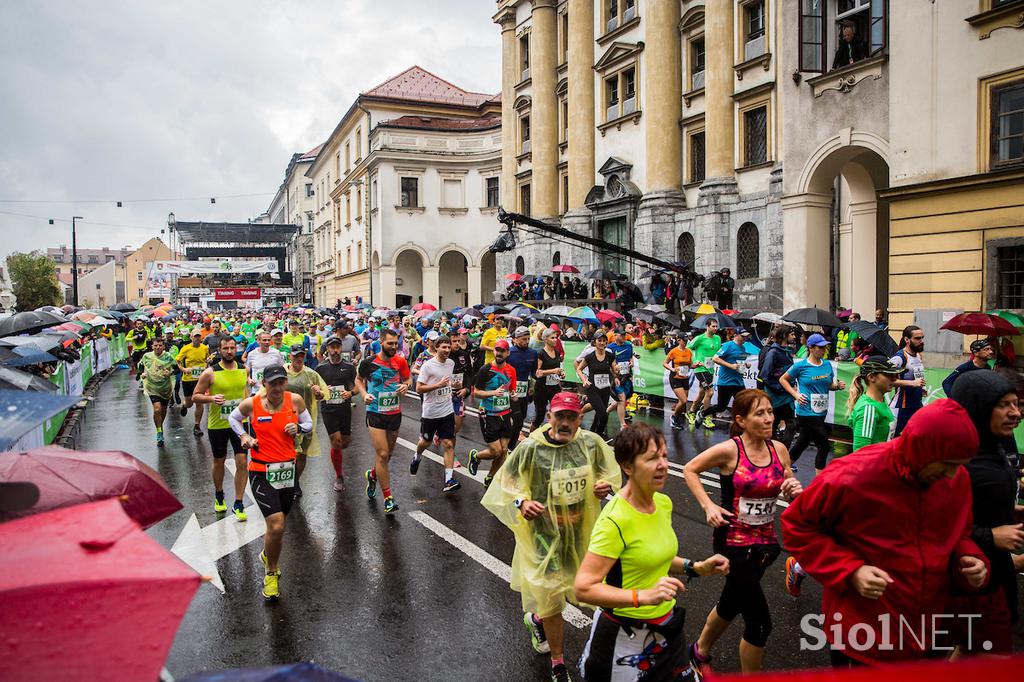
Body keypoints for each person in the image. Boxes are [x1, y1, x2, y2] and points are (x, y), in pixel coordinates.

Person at [780, 399, 990, 666]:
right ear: (922, 450)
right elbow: (798, 526)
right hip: (862, 636)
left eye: (959, 465)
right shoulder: (853, 474)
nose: (951, 475)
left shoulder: (956, 477)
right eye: (947, 464)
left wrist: (969, 557)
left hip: (926, 633)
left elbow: (960, 533)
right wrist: (851, 571)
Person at [481, 392, 621, 682]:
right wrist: (522, 502)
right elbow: (506, 481)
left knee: (583, 588)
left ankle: (535, 619)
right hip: (542, 535)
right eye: (560, 416)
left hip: (582, 532)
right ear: (549, 416)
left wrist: (604, 485)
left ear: (581, 418)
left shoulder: (591, 444)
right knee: (552, 596)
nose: (566, 422)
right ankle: (558, 661)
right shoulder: (531, 447)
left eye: (572, 417)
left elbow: (610, 473)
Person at [576, 424, 729, 681]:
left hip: (667, 631)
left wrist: (696, 567)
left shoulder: (662, 502)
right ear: (627, 466)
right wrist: (643, 596)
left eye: (665, 456)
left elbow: (654, 557)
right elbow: (584, 587)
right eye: (651, 458)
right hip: (623, 639)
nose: (663, 465)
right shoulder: (615, 520)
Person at [683, 390, 802, 676]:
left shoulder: (779, 449)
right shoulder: (730, 450)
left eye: (770, 412)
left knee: (731, 601)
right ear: (741, 419)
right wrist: (708, 505)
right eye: (759, 414)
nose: (769, 418)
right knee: (760, 623)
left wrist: (794, 488)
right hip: (733, 544)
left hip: (766, 545)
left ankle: (699, 653)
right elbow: (690, 469)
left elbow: (789, 484)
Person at [948, 370, 1023, 655]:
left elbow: (976, 507)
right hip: (973, 581)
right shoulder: (959, 463)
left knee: (968, 649)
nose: (1015, 413)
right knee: (993, 657)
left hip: (995, 575)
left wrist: (1008, 512)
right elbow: (938, 526)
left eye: (1016, 403)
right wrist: (990, 535)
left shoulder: (993, 446)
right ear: (977, 408)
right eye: (1004, 405)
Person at [228, 365, 313, 601]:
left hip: (286, 470)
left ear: (285, 383)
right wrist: (244, 436)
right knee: (276, 526)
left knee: (279, 525)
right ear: (264, 383)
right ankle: (271, 573)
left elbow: (309, 426)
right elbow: (233, 419)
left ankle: (268, 554)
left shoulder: (294, 401)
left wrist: (299, 427)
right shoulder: (252, 404)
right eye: (272, 383)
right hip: (261, 471)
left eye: (280, 382)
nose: (277, 387)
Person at [190, 336, 249, 520]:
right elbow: (195, 396)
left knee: (241, 461)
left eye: (232, 348)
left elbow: (244, 393)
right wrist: (211, 398)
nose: (230, 351)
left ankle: (238, 503)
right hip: (218, 424)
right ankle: (219, 493)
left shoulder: (243, 370)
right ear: (220, 350)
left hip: (240, 424)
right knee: (219, 461)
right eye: (226, 348)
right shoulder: (210, 373)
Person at [356, 328, 411, 515]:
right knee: (382, 454)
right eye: (390, 343)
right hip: (375, 412)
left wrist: (406, 385)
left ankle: (372, 475)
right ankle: (388, 498)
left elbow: (408, 378)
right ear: (381, 343)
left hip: (394, 412)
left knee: (387, 456)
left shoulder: (401, 361)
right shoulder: (369, 362)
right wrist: (364, 394)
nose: (394, 347)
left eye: (396, 343)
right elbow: (358, 380)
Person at [779, 333, 846, 476]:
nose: (823, 350)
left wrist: (837, 386)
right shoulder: (801, 366)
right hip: (806, 412)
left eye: (825, 347)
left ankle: (782, 469)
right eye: (820, 347)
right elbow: (783, 380)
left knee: (803, 442)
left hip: (821, 411)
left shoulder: (827, 364)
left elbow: (829, 385)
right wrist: (796, 394)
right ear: (810, 348)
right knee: (824, 445)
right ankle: (819, 481)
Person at [413, 335, 461, 493]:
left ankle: (449, 480)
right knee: (425, 442)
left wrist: (454, 386)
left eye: (448, 347)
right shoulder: (428, 366)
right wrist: (438, 385)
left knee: (448, 443)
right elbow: (419, 388)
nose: (447, 350)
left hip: (447, 410)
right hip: (431, 412)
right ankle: (417, 456)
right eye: (444, 347)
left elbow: (449, 383)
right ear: (437, 348)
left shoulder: (451, 363)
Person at [469, 338, 518, 488]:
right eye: (497, 350)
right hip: (488, 413)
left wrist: (514, 396)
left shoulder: (511, 370)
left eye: (502, 351)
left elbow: (512, 391)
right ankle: (476, 456)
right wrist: (493, 393)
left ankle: (490, 476)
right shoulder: (485, 369)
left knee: (503, 451)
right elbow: (476, 393)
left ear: (507, 353)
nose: (499, 353)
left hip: (505, 413)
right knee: (496, 451)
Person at [283, 346, 328, 498]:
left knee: (302, 453)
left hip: (305, 418)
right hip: (284, 418)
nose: (299, 358)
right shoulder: (282, 372)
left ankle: (295, 481)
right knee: (287, 453)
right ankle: (288, 482)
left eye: (302, 355)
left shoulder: (311, 374)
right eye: (296, 355)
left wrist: (318, 392)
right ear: (290, 356)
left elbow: (323, 394)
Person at [316, 335, 357, 492]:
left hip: (344, 408)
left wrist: (350, 393)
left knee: (345, 442)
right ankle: (339, 476)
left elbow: (358, 385)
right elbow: (315, 389)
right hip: (328, 409)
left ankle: (338, 446)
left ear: (341, 349)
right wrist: (319, 392)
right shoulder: (320, 368)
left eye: (337, 347)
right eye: (331, 347)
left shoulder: (349, 367)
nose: (335, 350)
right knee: (336, 441)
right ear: (327, 349)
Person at [847, 355, 903, 452]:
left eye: (894, 375)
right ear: (871, 377)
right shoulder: (868, 408)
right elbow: (860, 454)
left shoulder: (879, 402)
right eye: (888, 375)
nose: (894, 379)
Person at [702, 329, 752, 427]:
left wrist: (746, 364)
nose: (745, 338)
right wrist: (730, 366)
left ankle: (741, 426)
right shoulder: (727, 345)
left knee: (744, 404)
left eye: (746, 336)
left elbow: (739, 361)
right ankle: (703, 413)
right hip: (726, 382)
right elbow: (715, 358)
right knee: (721, 407)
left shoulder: (743, 348)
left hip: (738, 382)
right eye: (743, 336)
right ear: (736, 335)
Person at [575, 331, 618, 441]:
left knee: (600, 415)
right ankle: (598, 437)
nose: (602, 343)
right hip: (593, 389)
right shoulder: (589, 356)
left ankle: (593, 433)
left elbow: (614, 370)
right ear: (595, 342)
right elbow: (579, 369)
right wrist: (584, 380)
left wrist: (617, 376)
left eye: (604, 341)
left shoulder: (609, 355)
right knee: (603, 414)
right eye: (600, 340)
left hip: (605, 388)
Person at [758, 326, 796, 447]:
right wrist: (780, 388)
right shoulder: (773, 352)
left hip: (787, 396)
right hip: (775, 397)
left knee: (792, 425)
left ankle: (783, 454)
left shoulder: (787, 351)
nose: (794, 337)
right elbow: (764, 375)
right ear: (784, 336)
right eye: (792, 334)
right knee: (772, 427)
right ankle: (769, 453)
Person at [139, 336, 177, 446]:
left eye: (160, 345)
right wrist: (142, 373)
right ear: (152, 346)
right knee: (157, 409)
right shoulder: (147, 356)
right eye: (156, 345)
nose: (158, 347)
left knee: (163, 410)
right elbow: (141, 366)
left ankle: (160, 425)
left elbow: (177, 368)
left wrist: (169, 373)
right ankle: (159, 432)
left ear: (163, 346)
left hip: (165, 387)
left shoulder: (168, 357)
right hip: (152, 387)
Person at [890, 325, 927, 437]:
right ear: (907, 339)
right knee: (896, 441)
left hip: (916, 404)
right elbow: (886, 379)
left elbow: (918, 375)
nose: (921, 341)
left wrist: (922, 388)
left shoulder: (918, 355)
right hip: (901, 406)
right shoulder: (900, 357)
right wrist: (912, 383)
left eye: (922, 337)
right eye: (917, 338)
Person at [507, 326, 539, 450]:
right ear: (516, 339)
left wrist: (533, 385)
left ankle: (509, 442)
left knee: (522, 416)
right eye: (524, 339)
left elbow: (534, 373)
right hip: (510, 390)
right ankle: (510, 447)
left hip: (524, 390)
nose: (526, 341)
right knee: (518, 418)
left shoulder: (533, 353)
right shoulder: (510, 352)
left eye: (528, 338)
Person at [687, 319, 722, 429]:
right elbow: (688, 349)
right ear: (707, 326)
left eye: (716, 326)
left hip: (710, 368)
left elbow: (718, 352)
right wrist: (695, 361)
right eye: (713, 326)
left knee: (702, 393)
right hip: (700, 369)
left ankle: (691, 412)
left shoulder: (717, 338)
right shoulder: (700, 338)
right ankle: (706, 417)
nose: (715, 328)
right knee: (710, 392)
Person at [176, 327, 210, 437]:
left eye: (198, 336)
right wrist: (184, 370)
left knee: (199, 403)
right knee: (190, 403)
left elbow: (207, 360)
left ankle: (197, 426)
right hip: (188, 379)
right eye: (195, 336)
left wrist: (208, 362)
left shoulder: (204, 348)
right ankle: (184, 405)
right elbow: (177, 361)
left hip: (200, 379)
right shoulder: (185, 348)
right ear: (191, 337)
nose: (197, 338)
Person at [532, 328, 565, 432]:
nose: (555, 340)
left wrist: (561, 374)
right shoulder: (541, 354)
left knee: (557, 412)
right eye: (553, 338)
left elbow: (557, 370)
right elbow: (538, 373)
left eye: (556, 338)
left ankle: (554, 435)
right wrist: (553, 371)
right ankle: (531, 437)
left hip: (554, 387)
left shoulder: (556, 352)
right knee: (540, 417)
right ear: (545, 339)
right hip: (542, 388)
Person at [662, 333, 693, 430]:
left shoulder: (689, 351)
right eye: (684, 340)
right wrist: (672, 369)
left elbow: (690, 365)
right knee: (684, 400)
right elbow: (664, 363)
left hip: (685, 378)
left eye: (687, 340)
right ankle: (674, 417)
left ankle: (677, 417)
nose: (686, 342)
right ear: (679, 340)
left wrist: (697, 365)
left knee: (683, 401)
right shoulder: (674, 351)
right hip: (675, 378)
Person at [607, 329, 636, 427]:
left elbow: (631, 357)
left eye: (625, 335)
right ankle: (623, 424)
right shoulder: (610, 347)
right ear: (615, 335)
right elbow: (607, 363)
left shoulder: (628, 345)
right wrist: (614, 374)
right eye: (622, 335)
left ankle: (605, 412)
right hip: (615, 376)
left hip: (626, 375)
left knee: (622, 399)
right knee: (622, 398)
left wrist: (632, 362)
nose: (624, 337)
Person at [449, 328, 475, 436]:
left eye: (458, 341)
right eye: (453, 342)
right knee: (445, 425)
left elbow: (470, 374)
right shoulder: (443, 356)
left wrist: (467, 388)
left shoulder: (463, 355)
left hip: (459, 395)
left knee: (456, 427)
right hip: (444, 396)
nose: (456, 344)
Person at [245, 330, 285, 396]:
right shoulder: (252, 354)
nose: (267, 342)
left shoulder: (276, 353)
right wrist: (249, 379)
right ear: (258, 341)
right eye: (264, 340)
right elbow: (247, 370)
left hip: (272, 390)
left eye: (269, 340)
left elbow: (282, 369)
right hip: (257, 391)